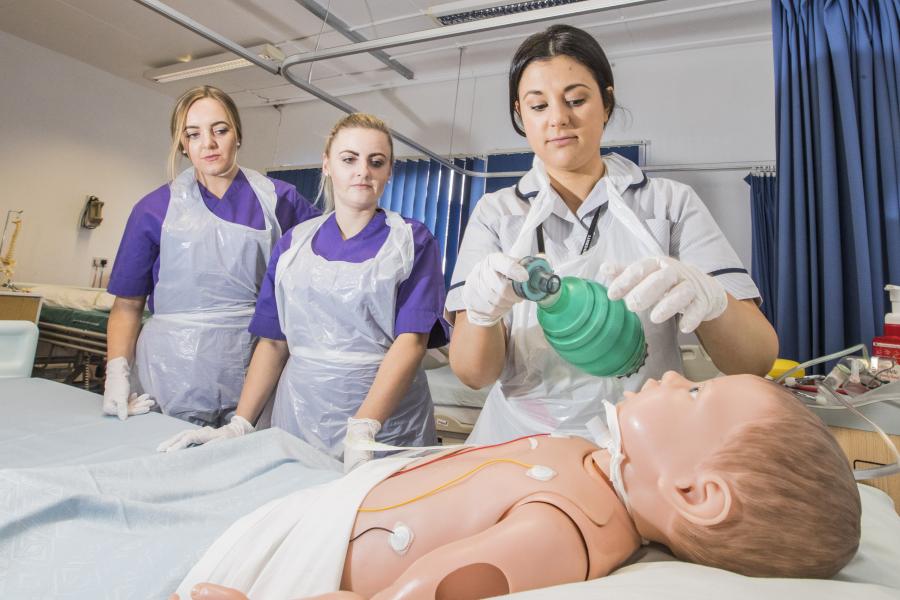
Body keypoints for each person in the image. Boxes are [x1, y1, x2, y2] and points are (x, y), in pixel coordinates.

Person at [170, 372, 861, 600]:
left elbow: (422, 592)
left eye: (696, 393)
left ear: (694, 495)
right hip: (344, 498)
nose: (675, 376)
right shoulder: (598, 465)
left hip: (315, 551)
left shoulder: (568, 530)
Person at [446, 25, 779, 444]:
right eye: (538, 106)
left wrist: (710, 300)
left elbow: (756, 360)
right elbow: (473, 374)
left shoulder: (668, 204)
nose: (558, 119)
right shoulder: (497, 214)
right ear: (520, 115)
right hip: (523, 448)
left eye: (576, 100)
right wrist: (481, 315)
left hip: (643, 449)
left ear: (606, 102)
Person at [158, 113, 448, 471]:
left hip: (387, 424)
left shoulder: (412, 241)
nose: (363, 171)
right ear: (327, 165)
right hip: (299, 413)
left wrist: (364, 427)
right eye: (349, 159)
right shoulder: (293, 243)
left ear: (389, 171)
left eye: (377, 162)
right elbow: (274, 342)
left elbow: (412, 342)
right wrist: (240, 423)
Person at [104, 86, 320, 426]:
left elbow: (331, 253)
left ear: (238, 134)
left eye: (220, 130)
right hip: (169, 371)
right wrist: (116, 373)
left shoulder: (279, 200)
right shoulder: (154, 210)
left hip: (254, 364)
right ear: (183, 145)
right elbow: (127, 305)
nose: (209, 143)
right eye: (194, 134)